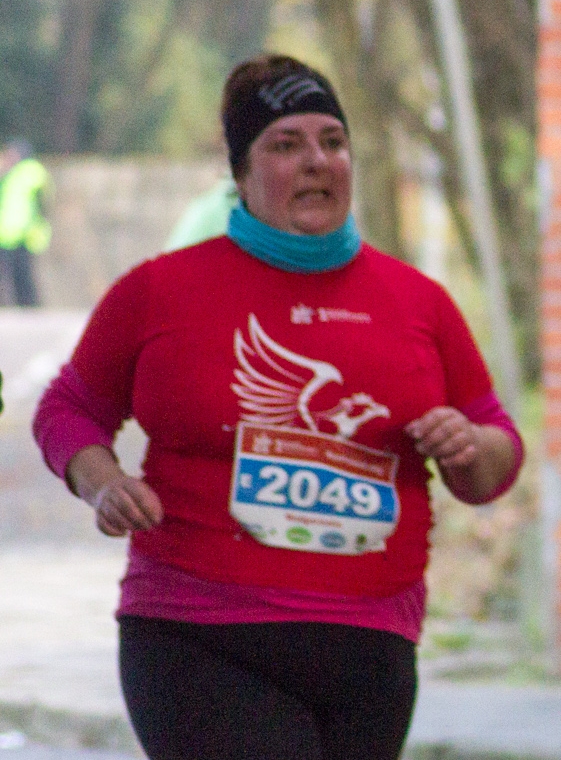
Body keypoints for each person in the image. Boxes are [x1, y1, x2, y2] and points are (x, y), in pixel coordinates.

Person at [32, 55, 523, 760]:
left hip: (373, 649)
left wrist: (472, 443)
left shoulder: (419, 302)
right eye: (286, 145)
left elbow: (493, 464)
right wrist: (101, 480)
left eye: (332, 140)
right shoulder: (160, 290)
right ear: (241, 173)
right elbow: (69, 406)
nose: (317, 161)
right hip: (199, 636)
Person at [0, 138, 50, 307]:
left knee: (23, 273)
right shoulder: (11, 172)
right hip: (8, 233)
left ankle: (29, 306)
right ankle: (24, 306)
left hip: (24, 232)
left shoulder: (31, 171)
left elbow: (42, 201)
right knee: (15, 274)